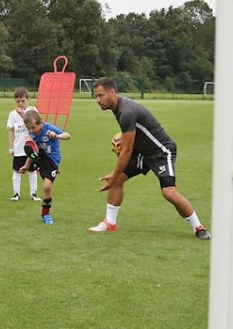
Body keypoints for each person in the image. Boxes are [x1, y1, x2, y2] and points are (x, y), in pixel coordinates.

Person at [88, 76, 210, 239]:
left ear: (112, 92)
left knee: (169, 193)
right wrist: (116, 174)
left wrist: (115, 174)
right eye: (96, 96)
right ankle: (110, 223)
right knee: (117, 181)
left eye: (100, 95)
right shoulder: (120, 108)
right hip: (142, 152)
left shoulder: (126, 112)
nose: (97, 100)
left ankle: (199, 227)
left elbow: (127, 150)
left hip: (161, 151)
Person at [20, 108, 71, 224]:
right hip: (40, 157)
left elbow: (68, 135)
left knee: (47, 187)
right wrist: (27, 166)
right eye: (28, 128)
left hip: (52, 160)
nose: (31, 130)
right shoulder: (31, 134)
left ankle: (45, 213)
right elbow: (31, 151)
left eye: (33, 128)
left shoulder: (49, 128)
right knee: (28, 139)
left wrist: (57, 136)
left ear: (40, 123)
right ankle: (37, 161)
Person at [6, 87, 40, 202]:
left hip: (31, 147)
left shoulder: (33, 111)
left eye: (23, 101)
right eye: (18, 101)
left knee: (32, 170)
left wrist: (22, 114)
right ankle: (16, 193)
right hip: (19, 148)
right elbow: (11, 131)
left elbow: (34, 124)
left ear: (28, 99)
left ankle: (33, 193)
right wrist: (11, 148)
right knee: (17, 170)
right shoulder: (12, 114)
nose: (20, 103)